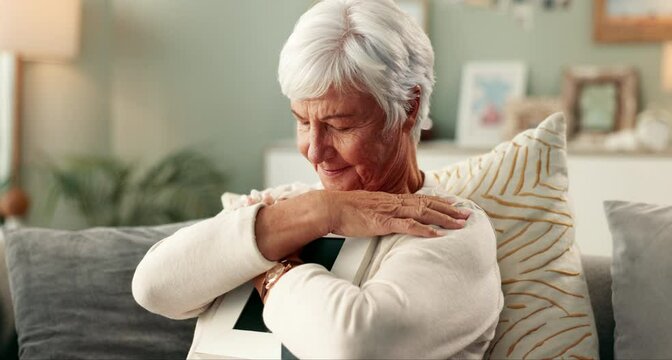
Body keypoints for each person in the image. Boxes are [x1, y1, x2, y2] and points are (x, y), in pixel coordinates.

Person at [132, 0, 503, 358]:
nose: (314, 150)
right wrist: (322, 211)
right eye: (302, 121)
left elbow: (356, 346)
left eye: (339, 125)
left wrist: (274, 271)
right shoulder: (291, 205)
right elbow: (154, 287)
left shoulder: (450, 228)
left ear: (409, 107)